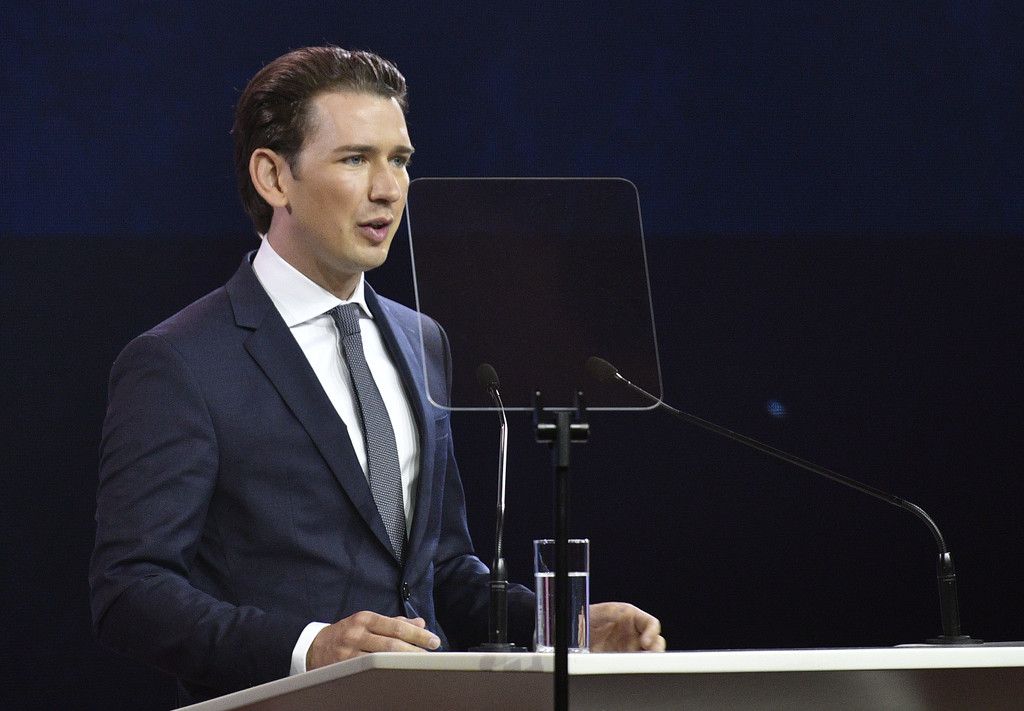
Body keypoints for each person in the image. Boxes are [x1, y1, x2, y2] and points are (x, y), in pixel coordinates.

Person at [89, 45, 665, 704]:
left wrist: (559, 624)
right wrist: (311, 649)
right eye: (355, 159)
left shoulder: (423, 340)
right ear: (274, 177)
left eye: (400, 160)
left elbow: (441, 569)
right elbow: (130, 592)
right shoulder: (180, 361)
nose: (388, 188)